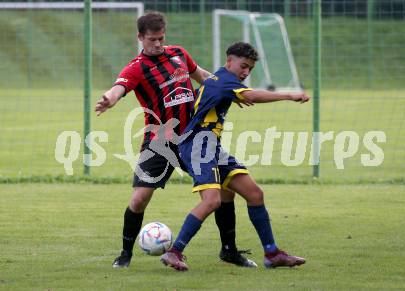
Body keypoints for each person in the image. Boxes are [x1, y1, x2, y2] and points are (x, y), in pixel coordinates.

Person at [95, 11, 256, 268]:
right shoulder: (136, 68)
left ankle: (229, 250)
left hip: (194, 137)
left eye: (161, 38)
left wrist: (232, 92)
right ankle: (125, 254)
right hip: (159, 142)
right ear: (140, 38)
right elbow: (119, 88)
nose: (158, 44)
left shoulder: (178, 53)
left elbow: (203, 75)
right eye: (152, 39)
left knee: (226, 188)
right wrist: (109, 99)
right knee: (139, 199)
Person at [160, 42, 309, 271]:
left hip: (212, 147)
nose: (246, 72)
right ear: (229, 60)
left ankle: (272, 254)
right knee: (212, 200)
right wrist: (288, 95)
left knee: (254, 193)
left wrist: (235, 96)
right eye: (243, 66)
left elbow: (224, 94)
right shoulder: (225, 81)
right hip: (197, 146)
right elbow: (253, 95)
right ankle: (174, 251)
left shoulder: (219, 81)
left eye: (250, 68)